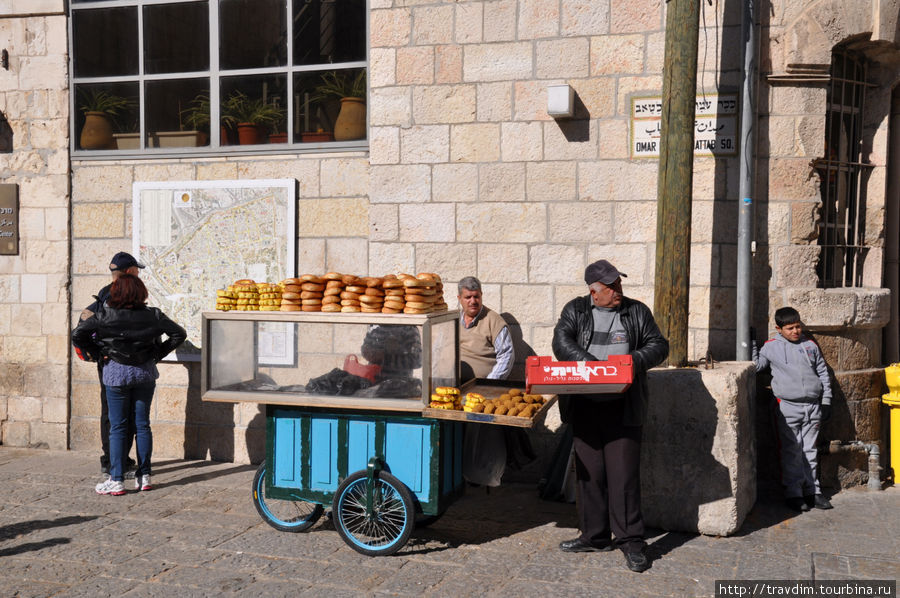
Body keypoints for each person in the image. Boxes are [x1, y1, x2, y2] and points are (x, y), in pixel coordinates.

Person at [551, 259, 668, 573]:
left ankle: (631, 542)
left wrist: (630, 362)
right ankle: (594, 536)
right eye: (611, 287)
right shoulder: (575, 310)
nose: (618, 291)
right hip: (585, 403)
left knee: (624, 476)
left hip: (624, 405)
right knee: (590, 475)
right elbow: (561, 343)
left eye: (619, 284)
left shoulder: (636, 311)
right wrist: (595, 369)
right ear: (594, 292)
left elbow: (659, 345)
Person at [73, 274, 186, 495]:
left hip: (115, 372)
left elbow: (78, 335)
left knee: (118, 427)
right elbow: (178, 334)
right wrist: (155, 354)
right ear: (141, 292)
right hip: (144, 372)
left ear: (115, 292)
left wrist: (99, 354)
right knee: (143, 425)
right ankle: (144, 477)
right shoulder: (152, 315)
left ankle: (116, 479)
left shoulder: (104, 315)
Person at [752, 306, 833, 512]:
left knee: (810, 451)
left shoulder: (810, 345)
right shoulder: (771, 347)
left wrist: (826, 401)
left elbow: (823, 373)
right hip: (787, 407)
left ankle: (813, 492)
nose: (795, 331)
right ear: (779, 329)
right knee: (792, 451)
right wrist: (751, 343)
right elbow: (758, 366)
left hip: (813, 406)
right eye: (789, 328)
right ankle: (794, 493)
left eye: (797, 327)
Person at [458, 277, 533, 487]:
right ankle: (456, 474)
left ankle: (480, 476)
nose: (473, 301)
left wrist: (487, 385)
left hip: (483, 389)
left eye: (477, 296)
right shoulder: (453, 321)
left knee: (482, 435)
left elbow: (506, 357)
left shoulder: (494, 321)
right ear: (460, 299)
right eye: (468, 297)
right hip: (457, 388)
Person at [79, 251, 144, 477]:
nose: (138, 274)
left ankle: (113, 459)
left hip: (108, 361)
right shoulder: (116, 295)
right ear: (129, 271)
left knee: (111, 412)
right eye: (136, 270)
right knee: (123, 414)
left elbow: (83, 327)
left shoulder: (104, 294)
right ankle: (114, 461)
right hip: (119, 362)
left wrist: (99, 353)